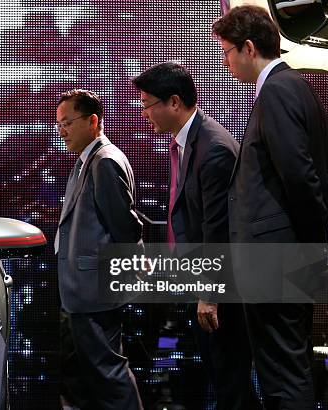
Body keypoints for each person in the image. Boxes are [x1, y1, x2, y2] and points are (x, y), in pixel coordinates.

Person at [212, 6, 328, 409]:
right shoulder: (296, 88)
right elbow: (324, 177)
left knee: (282, 375)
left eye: (228, 52)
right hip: (285, 258)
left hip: (276, 260)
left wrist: (317, 250)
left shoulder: (279, 91)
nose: (226, 61)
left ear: (249, 48)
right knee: (286, 368)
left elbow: (300, 178)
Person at [132, 62, 259, 409]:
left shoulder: (213, 147)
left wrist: (209, 294)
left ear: (174, 102)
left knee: (230, 381)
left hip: (222, 290)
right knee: (227, 382)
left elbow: (218, 230)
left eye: (146, 104)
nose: (143, 113)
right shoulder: (190, 141)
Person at [55, 89, 143, 409]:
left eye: (67, 123)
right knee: (95, 376)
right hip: (83, 290)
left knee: (108, 374)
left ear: (93, 121)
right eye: (59, 125)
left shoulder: (104, 161)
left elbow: (126, 228)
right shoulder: (89, 160)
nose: (61, 130)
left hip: (96, 290)